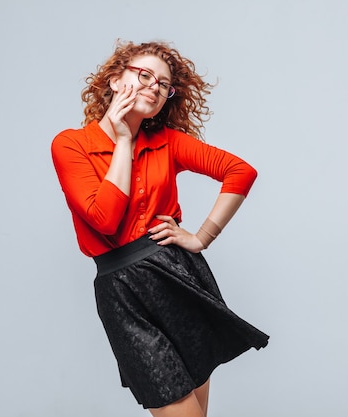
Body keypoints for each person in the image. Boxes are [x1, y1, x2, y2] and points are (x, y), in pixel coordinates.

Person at [51, 40, 269, 417]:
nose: (154, 86)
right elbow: (104, 219)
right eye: (144, 75)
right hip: (122, 291)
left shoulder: (167, 142)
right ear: (116, 80)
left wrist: (201, 237)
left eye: (163, 85)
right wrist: (123, 141)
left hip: (179, 275)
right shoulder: (72, 145)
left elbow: (240, 172)